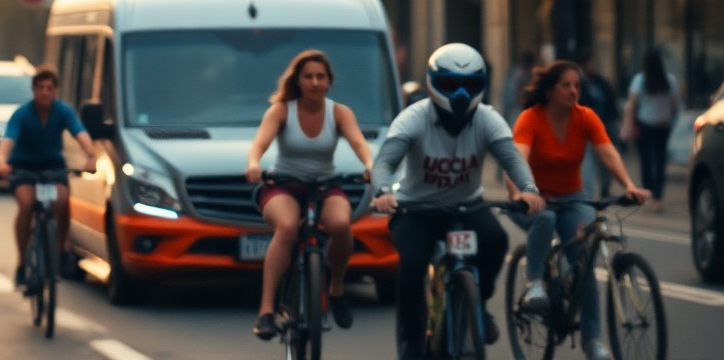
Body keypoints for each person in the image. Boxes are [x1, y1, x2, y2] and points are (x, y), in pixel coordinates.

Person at [370, 43, 545, 360]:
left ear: (482, 86)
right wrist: (382, 192)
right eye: (450, 84)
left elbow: (512, 159)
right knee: (410, 264)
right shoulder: (413, 118)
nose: (461, 93)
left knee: (495, 241)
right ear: (433, 82)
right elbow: (385, 162)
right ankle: (410, 343)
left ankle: (479, 302)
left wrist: (529, 188)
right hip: (416, 209)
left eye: (470, 85)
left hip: (467, 207)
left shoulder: (488, 119)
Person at [506, 60, 649, 360]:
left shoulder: (585, 117)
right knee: (544, 219)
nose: (574, 91)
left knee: (584, 266)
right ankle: (534, 285)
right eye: (566, 85)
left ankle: (593, 341)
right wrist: (522, 193)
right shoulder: (531, 119)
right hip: (532, 198)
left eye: (577, 86)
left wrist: (628, 185)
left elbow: (607, 151)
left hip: (572, 198)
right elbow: (516, 160)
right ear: (549, 91)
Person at [245, 50, 374, 340]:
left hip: (326, 184)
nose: (315, 82)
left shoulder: (339, 112)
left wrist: (370, 165)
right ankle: (266, 311)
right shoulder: (281, 111)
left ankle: (337, 289)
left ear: (329, 82)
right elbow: (259, 144)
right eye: (308, 76)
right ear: (298, 81)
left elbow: (359, 143)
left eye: (321, 77)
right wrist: (254, 164)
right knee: (288, 227)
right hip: (284, 184)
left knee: (341, 225)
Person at [0, 67, 96, 288]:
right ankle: (22, 262)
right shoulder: (22, 113)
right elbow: (9, 139)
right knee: (27, 204)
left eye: (49, 88)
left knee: (62, 200)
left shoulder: (63, 111)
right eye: (40, 88)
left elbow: (80, 134)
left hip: (52, 168)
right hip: (23, 168)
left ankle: (60, 251)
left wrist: (91, 155)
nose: (45, 93)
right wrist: (2, 162)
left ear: (56, 91)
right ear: (33, 90)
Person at [621, 48, 680, 213]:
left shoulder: (640, 80)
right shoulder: (669, 80)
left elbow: (632, 105)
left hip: (645, 124)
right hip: (663, 125)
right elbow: (675, 105)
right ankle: (659, 198)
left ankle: (648, 194)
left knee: (646, 161)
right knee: (660, 161)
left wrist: (628, 125)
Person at [577, 51, 621, 199]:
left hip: (604, 125)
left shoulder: (601, 82)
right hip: (586, 129)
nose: (594, 66)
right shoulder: (579, 83)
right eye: (591, 63)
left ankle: (605, 189)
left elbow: (611, 102)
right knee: (588, 162)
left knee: (606, 160)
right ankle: (587, 193)